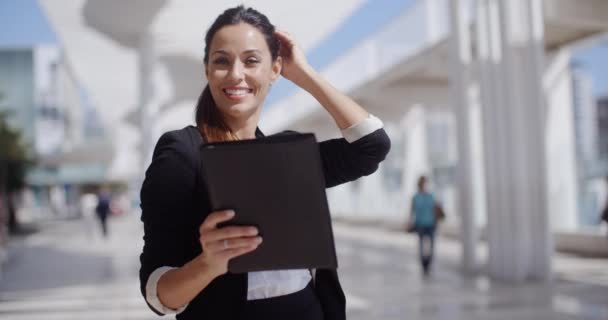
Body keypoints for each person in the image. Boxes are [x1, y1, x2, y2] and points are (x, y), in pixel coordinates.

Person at [138, 5, 391, 320]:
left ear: (275, 69)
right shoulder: (183, 153)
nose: (236, 74)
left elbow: (372, 145)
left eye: (252, 60)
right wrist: (208, 264)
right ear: (207, 70)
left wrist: (303, 73)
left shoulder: (289, 154)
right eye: (221, 61)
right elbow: (156, 292)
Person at [408, 176, 439, 276]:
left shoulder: (430, 196)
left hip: (431, 224)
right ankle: (424, 265)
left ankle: (428, 263)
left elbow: (435, 210)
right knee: (422, 246)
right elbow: (412, 212)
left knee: (431, 247)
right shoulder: (416, 197)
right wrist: (409, 223)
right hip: (420, 225)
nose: (424, 185)